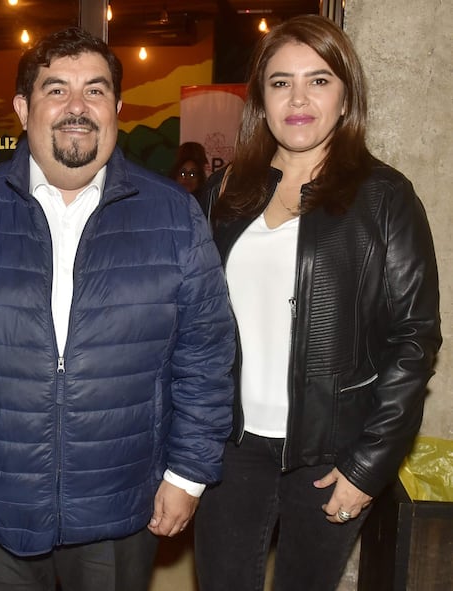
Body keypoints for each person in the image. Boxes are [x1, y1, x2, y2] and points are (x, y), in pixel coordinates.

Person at [0, 26, 235, 591]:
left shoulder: (175, 218)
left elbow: (206, 356)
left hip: (124, 506)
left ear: (118, 108)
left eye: (95, 91)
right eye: (57, 90)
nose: (77, 107)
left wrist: (189, 474)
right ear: (24, 108)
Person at [193, 15, 441, 591]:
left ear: (345, 94)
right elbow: (191, 327)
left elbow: (414, 340)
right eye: (280, 82)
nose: (298, 98)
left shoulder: (384, 197)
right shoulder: (224, 194)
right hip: (228, 451)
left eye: (319, 80)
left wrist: (366, 466)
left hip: (331, 456)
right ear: (260, 97)